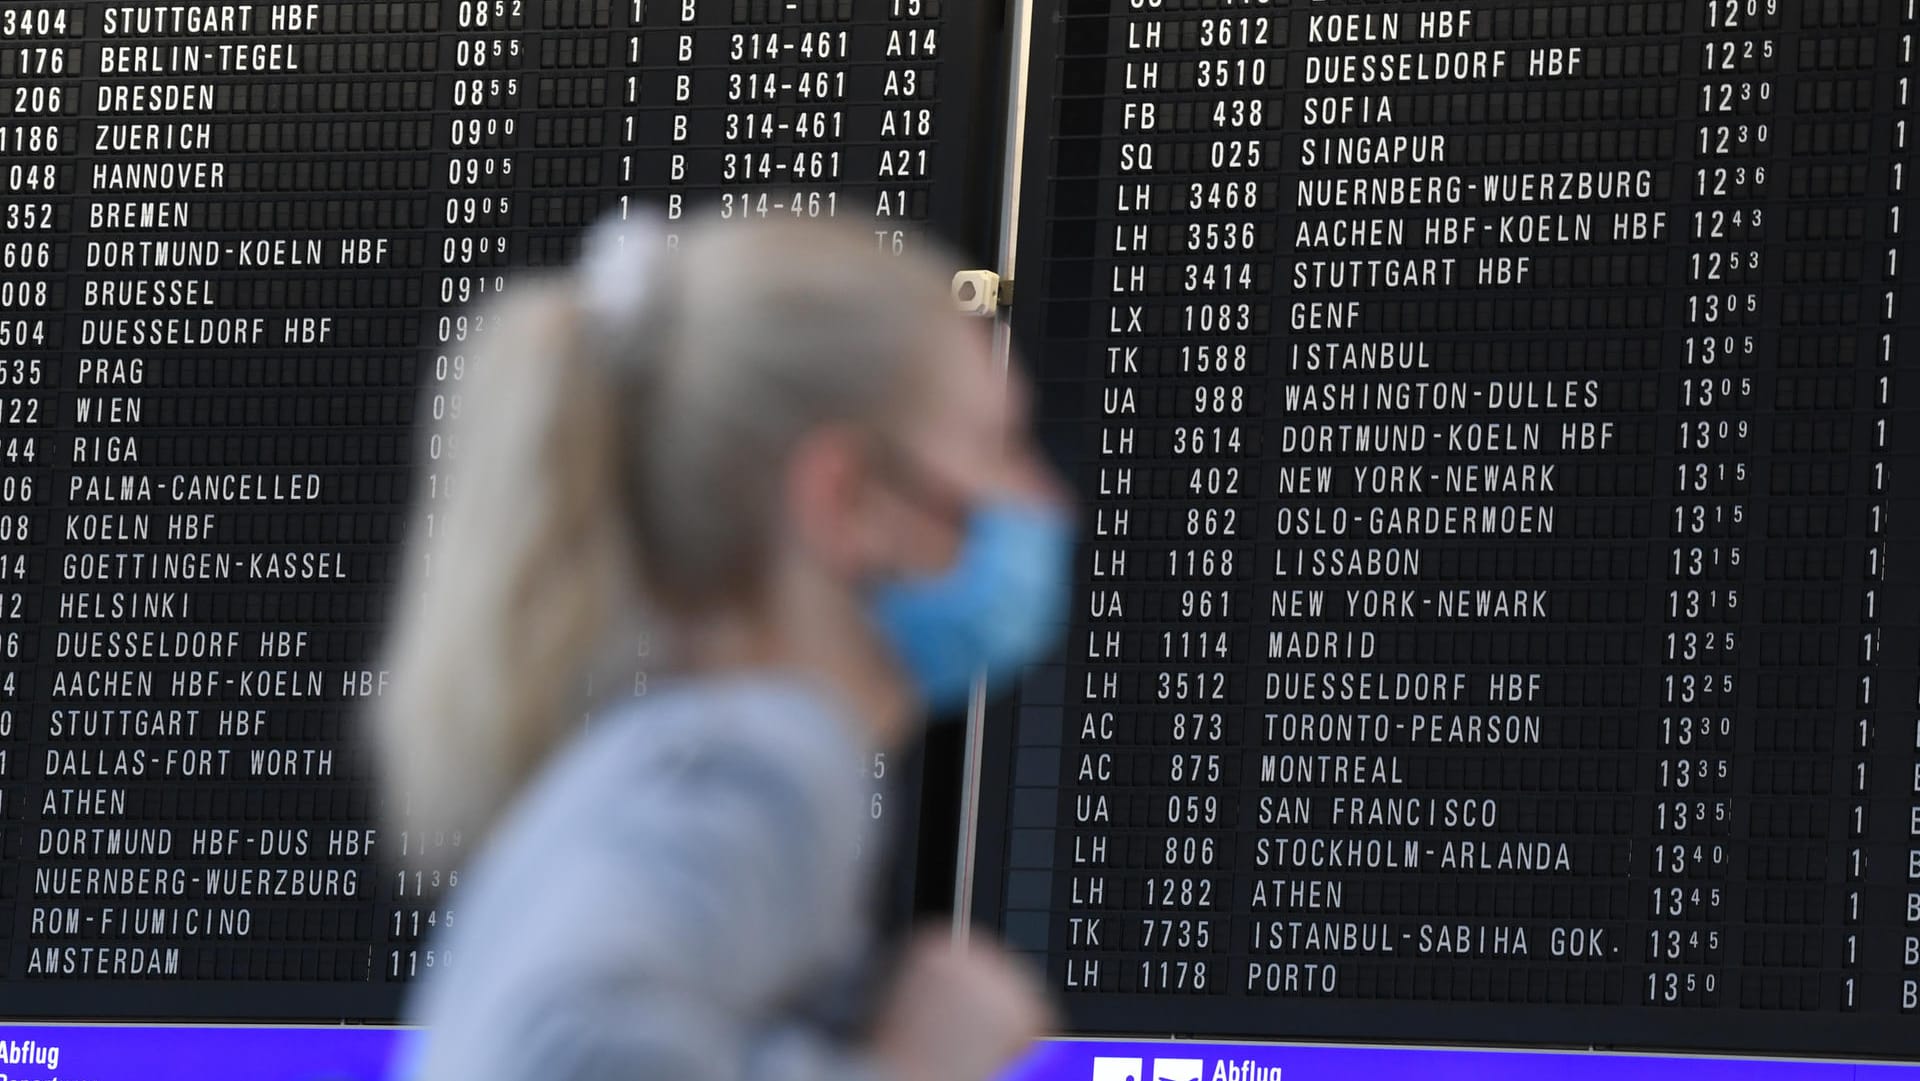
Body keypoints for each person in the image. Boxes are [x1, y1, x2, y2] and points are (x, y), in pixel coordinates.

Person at [370, 212, 1074, 1081]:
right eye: (997, 446)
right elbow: (568, 1058)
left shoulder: (659, 756)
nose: (1042, 499)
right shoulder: (763, 769)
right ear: (848, 496)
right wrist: (917, 1064)